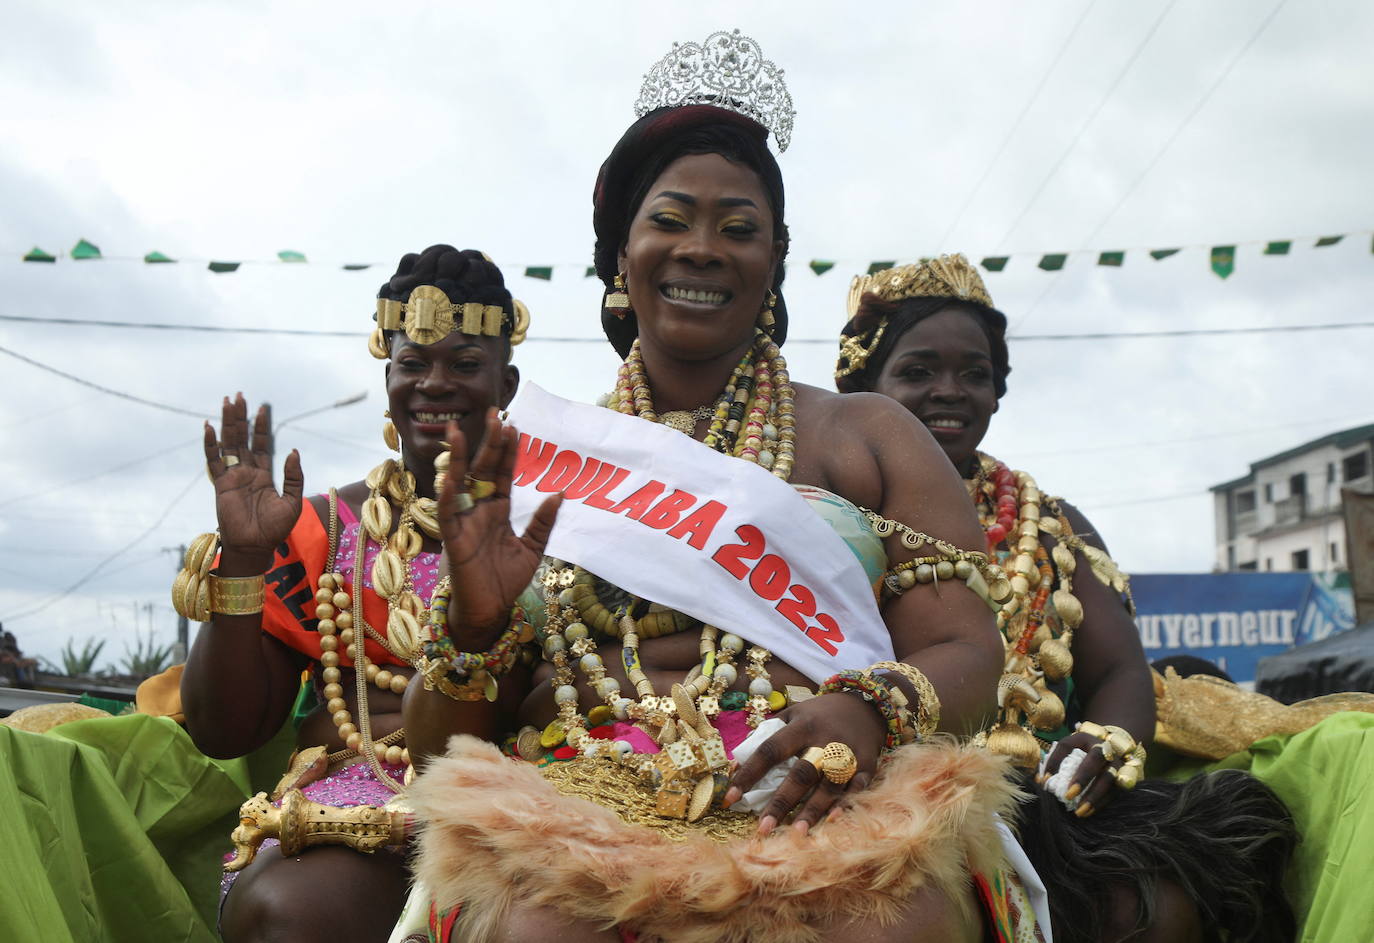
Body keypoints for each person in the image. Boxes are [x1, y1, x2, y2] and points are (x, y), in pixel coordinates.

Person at [400, 31, 1026, 943]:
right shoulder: (530, 458)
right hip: (579, 803)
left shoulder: (869, 436)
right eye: (670, 220)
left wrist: (868, 705)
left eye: (738, 228)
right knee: (540, 923)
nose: (701, 248)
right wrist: (477, 622)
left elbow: (968, 650)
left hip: (827, 792)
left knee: (892, 918)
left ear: (774, 260)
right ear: (621, 252)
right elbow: (431, 745)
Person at [834, 255, 1299, 943]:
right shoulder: (830, 516)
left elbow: (1118, 671)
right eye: (918, 370)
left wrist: (1103, 742)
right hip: (880, 795)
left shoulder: (1052, 521)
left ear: (998, 392)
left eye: (975, 373)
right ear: (867, 387)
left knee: (1153, 907)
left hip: (1049, 798)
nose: (949, 391)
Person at [176, 245, 530, 943]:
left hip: (518, 802)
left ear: (506, 384)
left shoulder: (552, 524)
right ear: (388, 374)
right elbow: (225, 729)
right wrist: (245, 559)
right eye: (412, 364)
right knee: (286, 910)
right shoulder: (327, 529)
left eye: (464, 365)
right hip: (351, 807)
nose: (435, 384)